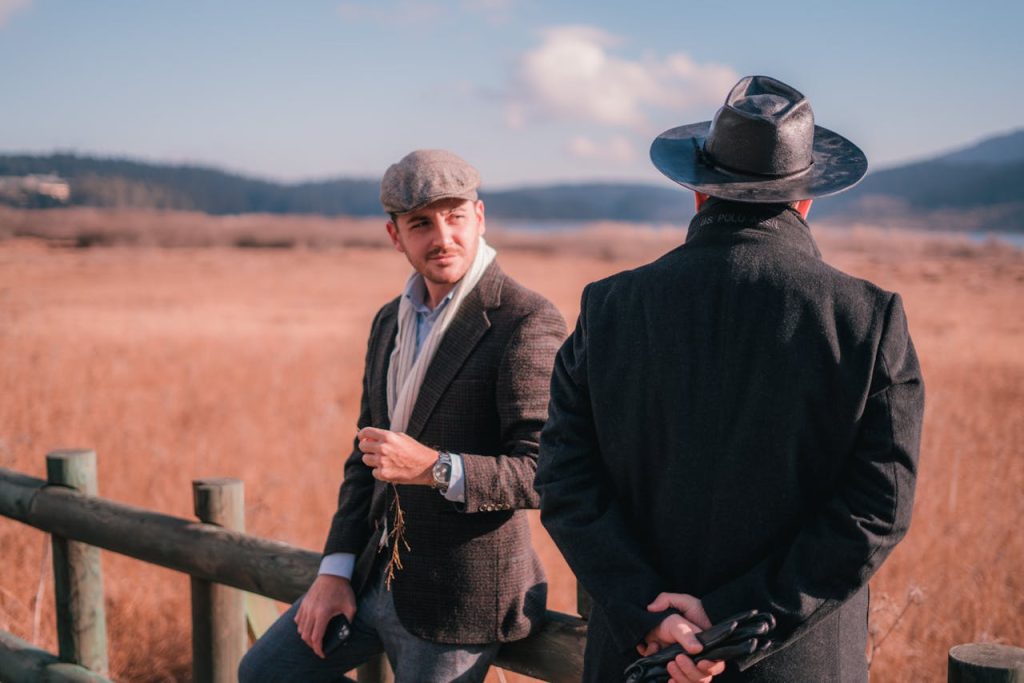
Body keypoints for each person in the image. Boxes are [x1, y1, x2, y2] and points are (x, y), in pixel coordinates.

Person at [535, 75, 924, 683]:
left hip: (642, 660)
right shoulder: (867, 320)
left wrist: (647, 613)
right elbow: (878, 510)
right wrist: (735, 620)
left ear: (699, 194)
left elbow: (562, 478)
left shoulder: (609, 306)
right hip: (794, 662)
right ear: (806, 200)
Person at [239, 149, 565, 682]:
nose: (443, 236)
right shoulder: (390, 321)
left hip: (458, 599)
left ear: (479, 217)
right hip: (371, 578)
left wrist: (436, 468)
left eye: (455, 216)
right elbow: (362, 456)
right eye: (421, 223)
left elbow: (546, 471)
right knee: (265, 672)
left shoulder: (525, 320)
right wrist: (335, 569)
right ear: (396, 236)